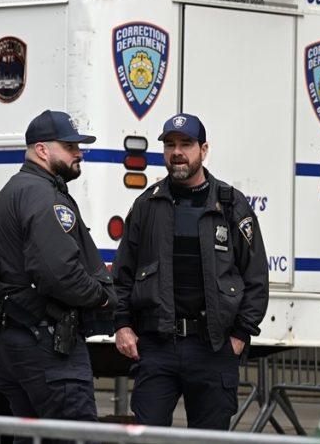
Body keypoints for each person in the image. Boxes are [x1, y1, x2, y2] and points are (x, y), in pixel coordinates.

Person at [113, 113, 268, 429]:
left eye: (186, 144)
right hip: (157, 347)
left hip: (213, 347)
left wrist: (240, 335)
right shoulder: (146, 205)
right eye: (170, 145)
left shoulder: (232, 205)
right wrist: (122, 324)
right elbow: (123, 273)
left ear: (204, 149)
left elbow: (255, 278)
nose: (177, 152)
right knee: (147, 437)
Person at [0, 110, 114, 442]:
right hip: (47, 348)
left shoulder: (15, 189)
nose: (78, 153)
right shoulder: (43, 195)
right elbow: (59, 274)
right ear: (42, 149)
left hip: (14, 342)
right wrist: (104, 295)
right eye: (69, 147)